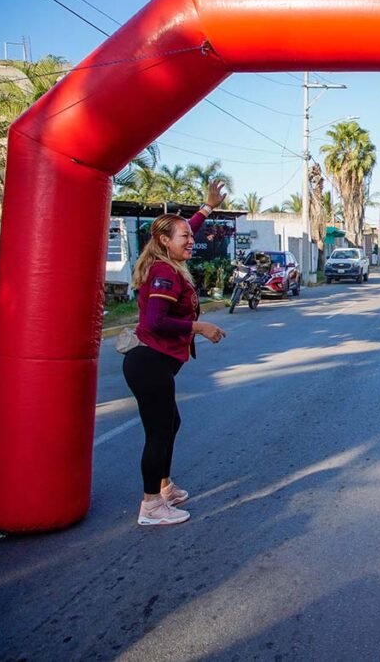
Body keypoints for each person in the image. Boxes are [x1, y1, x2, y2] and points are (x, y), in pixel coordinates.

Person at [123, 180, 228, 526]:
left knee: (170, 423)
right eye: (184, 238)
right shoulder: (165, 272)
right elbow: (156, 320)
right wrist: (201, 327)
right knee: (159, 432)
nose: (191, 241)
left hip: (155, 363)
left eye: (189, 236)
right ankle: (151, 506)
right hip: (149, 362)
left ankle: (164, 488)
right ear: (165, 242)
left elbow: (185, 230)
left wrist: (208, 207)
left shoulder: (167, 255)